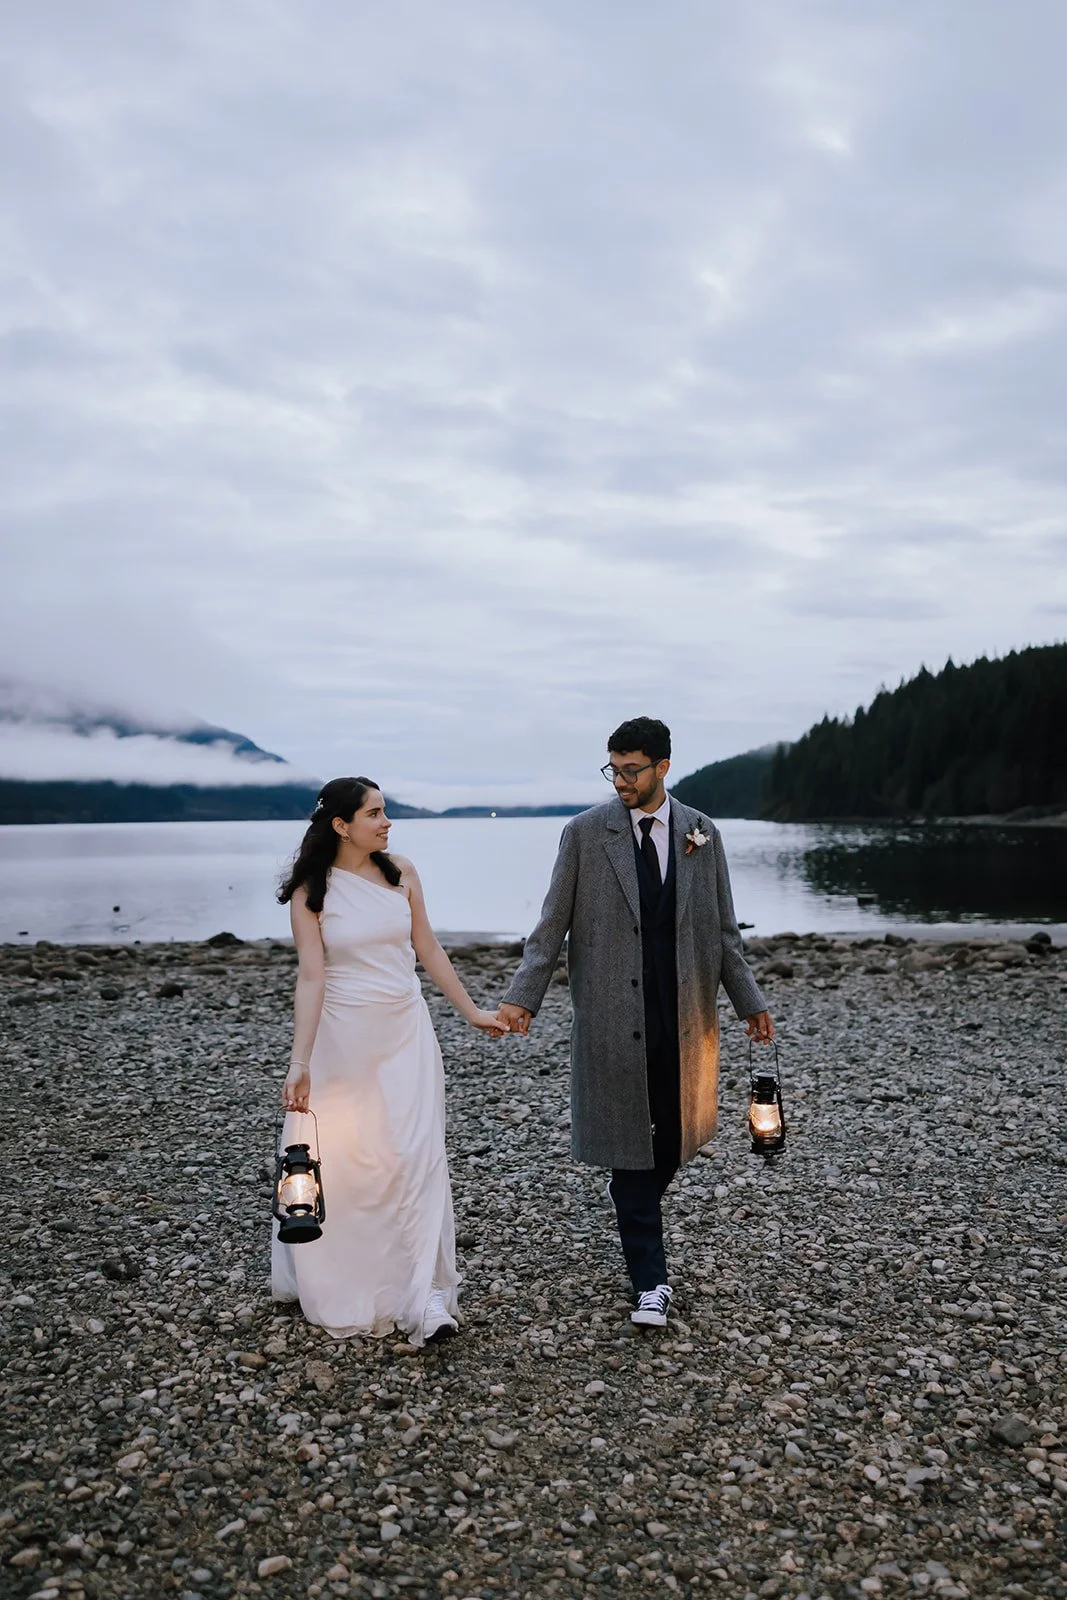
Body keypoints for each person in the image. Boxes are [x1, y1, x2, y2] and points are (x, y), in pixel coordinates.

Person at [498, 717, 773, 1328]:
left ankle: (631, 1198)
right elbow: (551, 926)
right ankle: (651, 1281)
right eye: (613, 769)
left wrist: (750, 1002)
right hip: (611, 1015)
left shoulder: (703, 833)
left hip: (685, 1015)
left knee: (674, 1137)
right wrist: (523, 997)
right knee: (629, 1145)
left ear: (663, 767)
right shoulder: (584, 834)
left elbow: (725, 932)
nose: (620, 780)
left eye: (631, 769)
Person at [273, 776, 507, 1345]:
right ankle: (356, 1282)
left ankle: (424, 1293)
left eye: (385, 811)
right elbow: (311, 975)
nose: (386, 822)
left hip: (407, 1032)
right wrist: (299, 1061)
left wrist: (472, 1012)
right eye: (374, 814)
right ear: (341, 825)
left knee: (415, 1156)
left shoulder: (400, 872)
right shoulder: (312, 890)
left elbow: (426, 947)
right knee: (355, 1164)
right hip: (343, 1039)